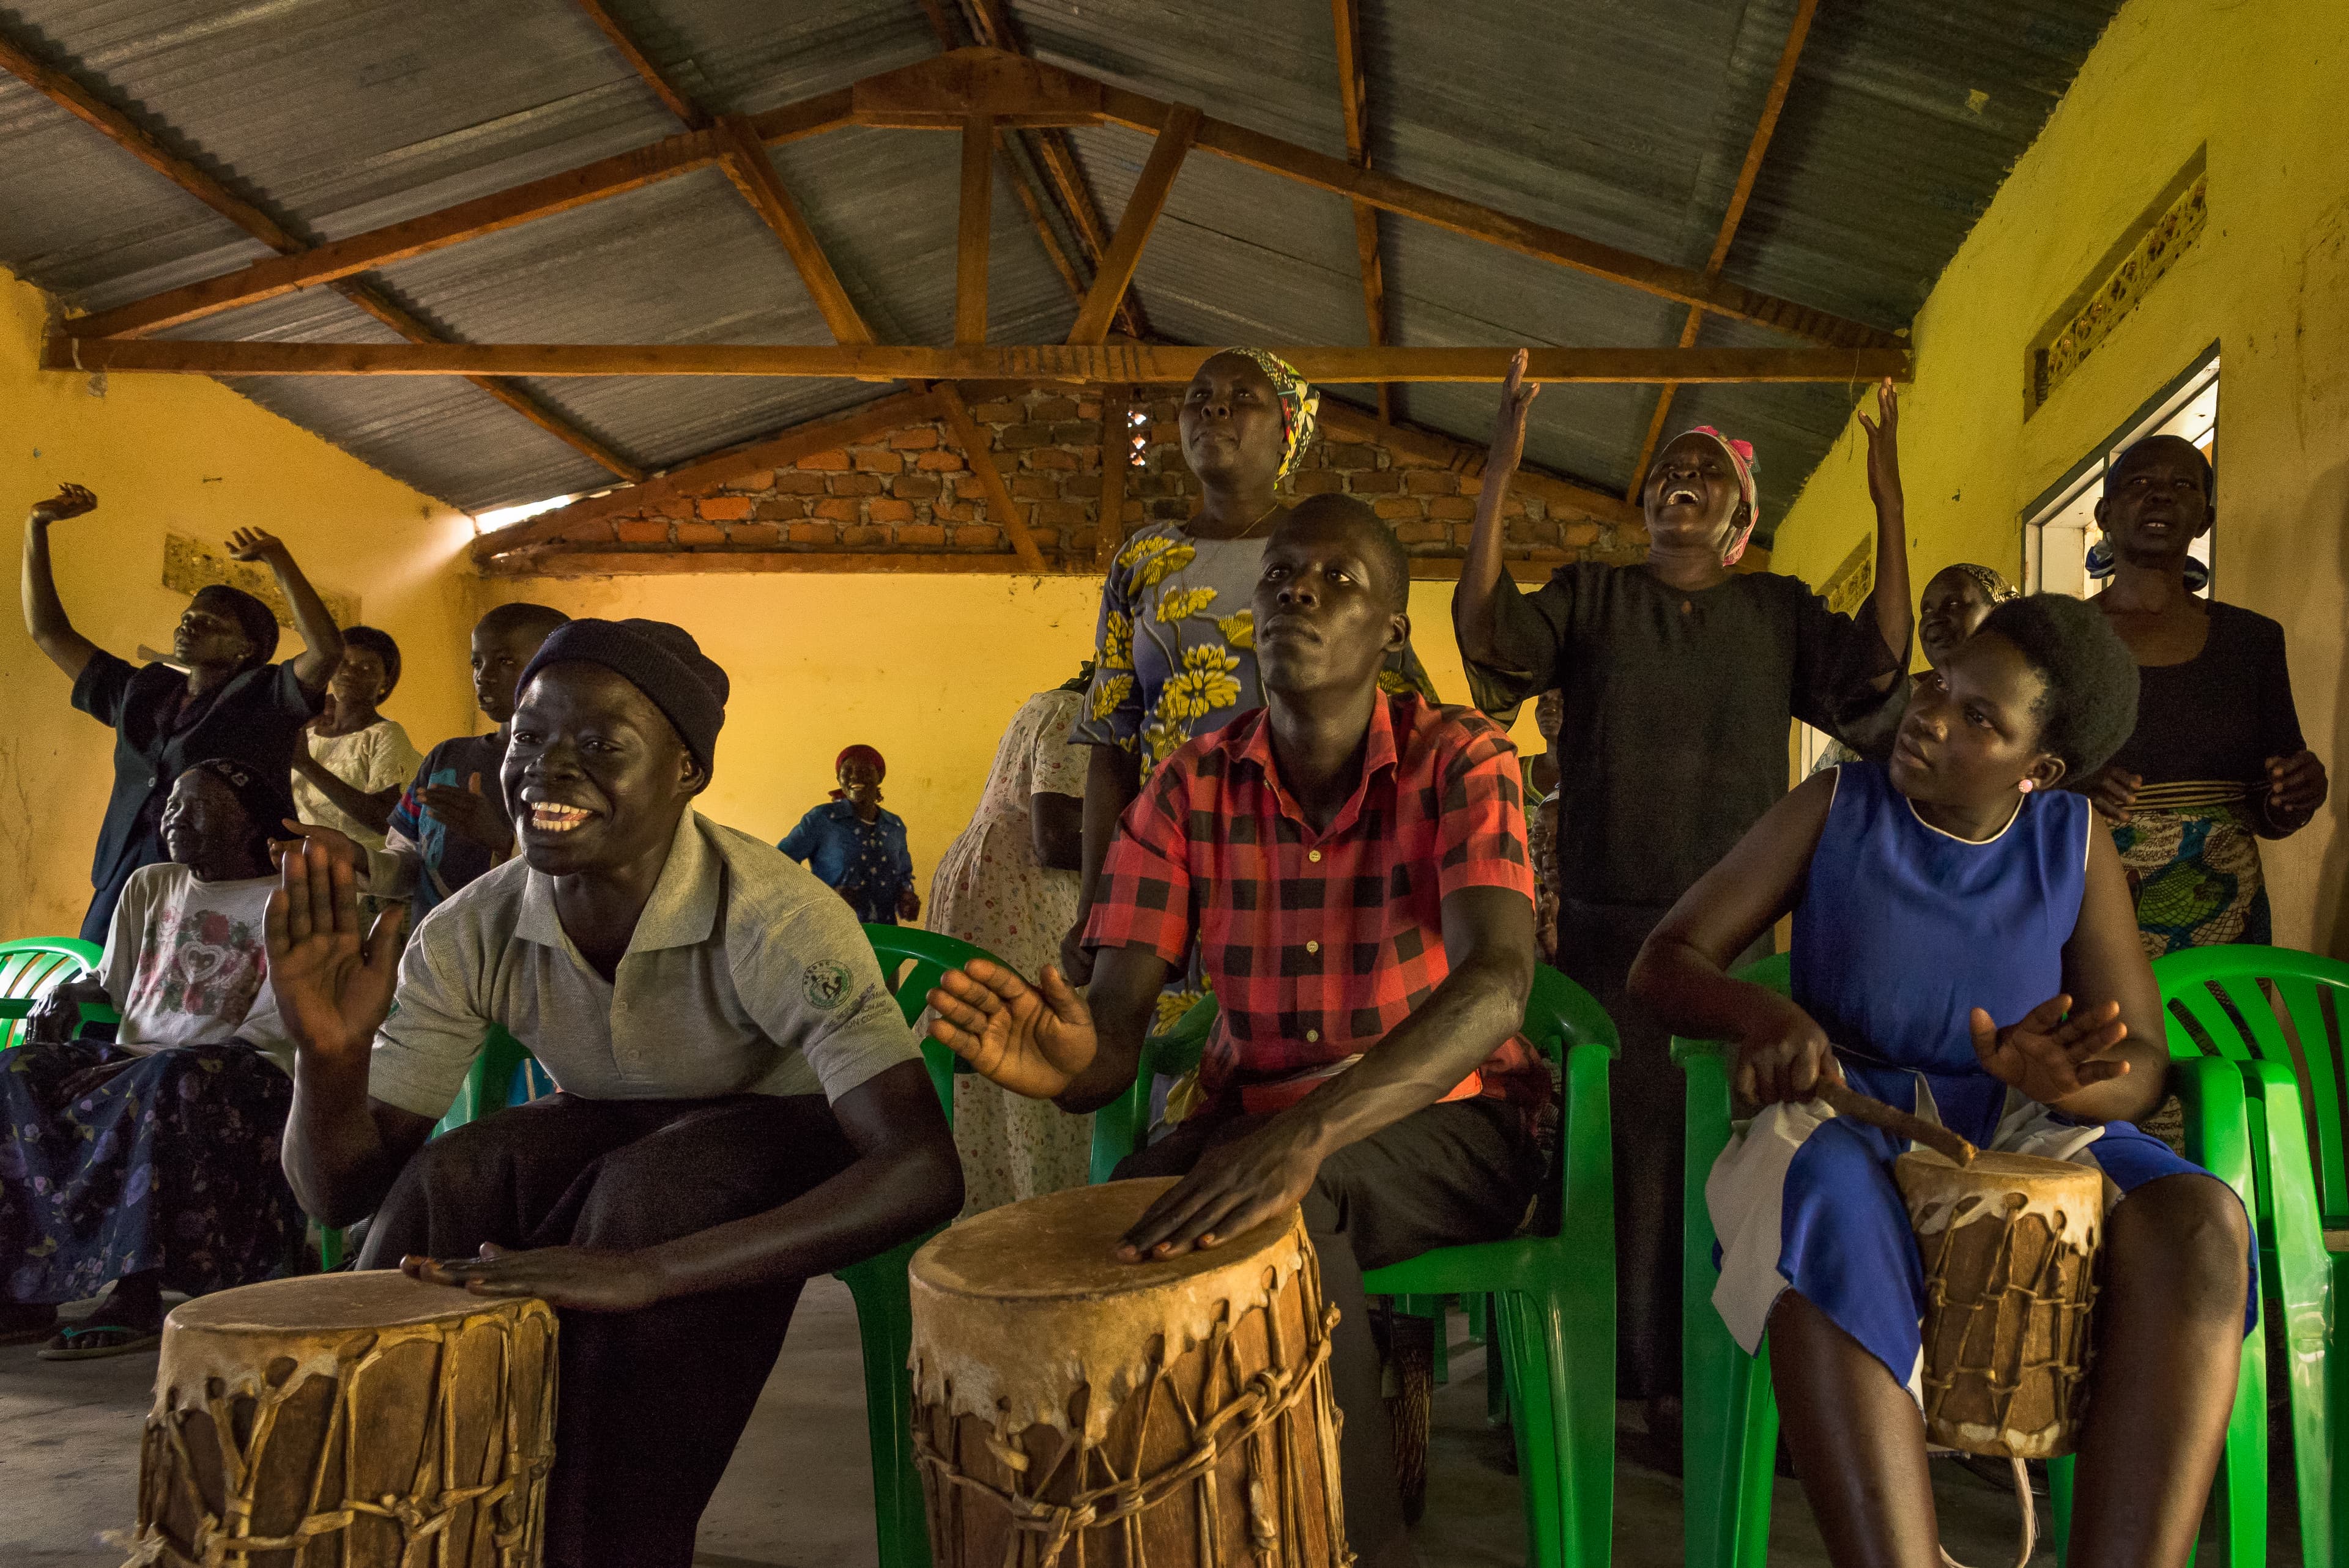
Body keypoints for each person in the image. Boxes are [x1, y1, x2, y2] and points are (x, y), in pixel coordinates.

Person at [927, 497, 1545, 1568]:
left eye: (1338, 579)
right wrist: (1073, 1065)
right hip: (1247, 1118)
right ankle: (1138, 1531)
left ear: (1392, 634)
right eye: (1280, 576)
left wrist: (1312, 1133)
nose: (1298, 591)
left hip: (1453, 1118)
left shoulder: (1462, 758)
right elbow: (1116, 1025)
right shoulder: (1186, 784)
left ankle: (1360, 1545)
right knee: (1104, 1237)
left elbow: (1497, 984)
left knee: (1297, 1201)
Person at [267, 618, 960, 1568]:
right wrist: (326, 1062)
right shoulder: (474, 925)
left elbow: (922, 1169)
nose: (548, 769)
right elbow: (338, 1195)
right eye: (529, 738)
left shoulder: (774, 915)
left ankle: (607, 1540)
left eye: (601, 746)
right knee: (446, 1181)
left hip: (786, 1127)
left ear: (686, 773)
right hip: (610, 1122)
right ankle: (404, 1518)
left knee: (648, 1203)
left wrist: (653, 1272)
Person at [1629, 593, 2251, 1568]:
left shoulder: (2072, 842)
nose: (1930, 714)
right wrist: (1771, 1015)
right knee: (1826, 1200)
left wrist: (2064, 1079)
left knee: (2203, 1225)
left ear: (2037, 770)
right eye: (1940, 684)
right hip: (1852, 1115)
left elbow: (2138, 1068)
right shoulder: (1839, 805)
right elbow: (1666, 961)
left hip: (2020, 1123)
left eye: (1979, 718)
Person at [1452, 358, 1912, 1430]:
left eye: (1705, 473)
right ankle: (1606, 1380)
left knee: (1726, 1151)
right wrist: (1499, 472)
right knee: (1617, 1153)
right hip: (1613, 936)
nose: (1679, 483)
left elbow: (1880, 668)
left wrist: (1892, 505)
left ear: (1742, 519)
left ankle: (1704, 1381)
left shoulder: (1776, 610)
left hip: (1731, 944)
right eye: (1666, 471)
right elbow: (1490, 635)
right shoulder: (1595, 594)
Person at [1061, 349, 1437, 1005]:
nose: (1215, 407)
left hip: (1304, 853)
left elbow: (1404, 730)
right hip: (1169, 857)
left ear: (1288, 428)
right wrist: (1099, 901)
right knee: (1160, 1060)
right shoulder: (1144, 559)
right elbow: (1113, 741)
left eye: (1243, 396)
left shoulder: (1325, 554)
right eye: (1199, 395)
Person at [0, 758, 306, 1359]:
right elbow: (111, 987)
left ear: (248, 823)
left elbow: (285, 1018)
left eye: (195, 804)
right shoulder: (151, 884)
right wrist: (71, 990)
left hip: (248, 1068)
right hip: (140, 1058)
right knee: (14, 1070)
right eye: (170, 802)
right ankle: (22, 1290)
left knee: (169, 1077)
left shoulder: (291, 892)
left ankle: (136, 1293)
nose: (173, 813)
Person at [21, 484, 343, 943]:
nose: (190, 624)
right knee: (92, 994)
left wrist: (278, 560)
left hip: (215, 885)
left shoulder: (265, 697)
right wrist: (36, 526)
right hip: (123, 876)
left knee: (178, 1005)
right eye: (189, 616)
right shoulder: (145, 690)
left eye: (211, 624)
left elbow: (327, 650)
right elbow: (49, 632)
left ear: (245, 649)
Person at [2071, 435, 2329, 955]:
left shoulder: (2251, 641)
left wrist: (2300, 793)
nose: (2161, 496)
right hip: (2087, 903)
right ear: (2104, 513)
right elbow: (2006, 774)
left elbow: (2268, 806)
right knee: (2100, 1037)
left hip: (2225, 916)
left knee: (2216, 1041)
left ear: (2204, 519)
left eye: (2183, 485)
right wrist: (2069, 791)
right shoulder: (2053, 638)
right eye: (2140, 483)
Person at [926, 667, 1094, 1213]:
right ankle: (1037, 1219)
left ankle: (983, 1214)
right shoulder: (1074, 713)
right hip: (1024, 893)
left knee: (987, 1064)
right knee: (1034, 1048)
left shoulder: (1040, 705)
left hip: (993, 882)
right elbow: (1057, 835)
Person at [382, 602, 570, 924]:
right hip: (429, 957)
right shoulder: (446, 757)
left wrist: (502, 840)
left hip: (512, 957)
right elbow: (406, 861)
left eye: (506, 661)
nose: (484, 676)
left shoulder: (570, 770)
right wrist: (351, 860)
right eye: (476, 662)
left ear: (556, 668)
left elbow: (581, 886)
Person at [1809, 561, 2019, 774]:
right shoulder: (1899, 698)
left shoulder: (2025, 702)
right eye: (1926, 610)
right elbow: (1831, 783)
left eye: (1954, 604)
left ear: (2000, 613)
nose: (1934, 619)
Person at [289, 626, 422, 894]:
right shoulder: (307, 732)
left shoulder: (384, 736)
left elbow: (385, 819)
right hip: (297, 873)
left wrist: (307, 766)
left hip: (352, 883)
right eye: (344, 663)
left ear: (385, 682)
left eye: (367, 668)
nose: (350, 672)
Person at [778, 744, 921, 925]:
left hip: (884, 934)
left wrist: (906, 895)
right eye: (848, 771)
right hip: (831, 932)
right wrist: (826, 896)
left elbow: (903, 874)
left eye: (864, 770)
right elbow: (781, 863)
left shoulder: (894, 825)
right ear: (839, 778)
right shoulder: (822, 819)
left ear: (879, 776)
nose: (854, 776)